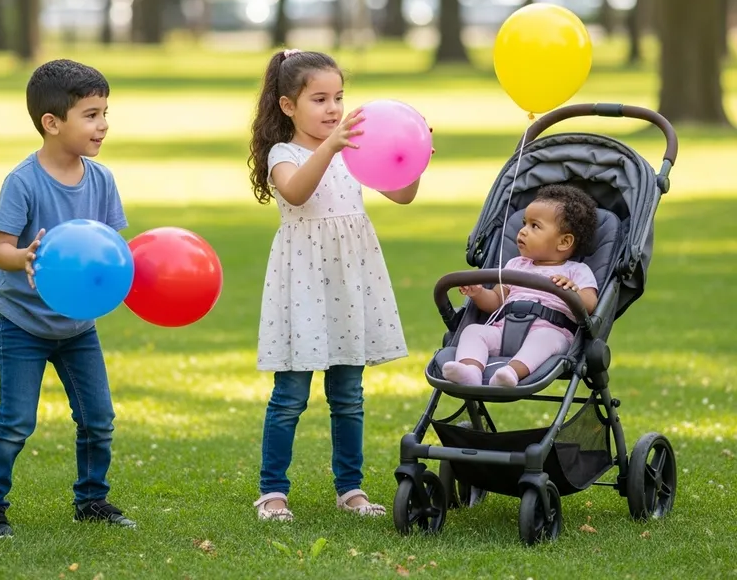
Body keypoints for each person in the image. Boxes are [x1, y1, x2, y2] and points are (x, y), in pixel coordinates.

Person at [247, 48, 423, 522]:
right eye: (320, 99)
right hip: (302, 282)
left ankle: (350, 488)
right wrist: (332, 146)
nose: (333, 109)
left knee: (349, 395)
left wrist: (416, 153)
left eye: (339, 98)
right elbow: (297, 191)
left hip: (349, 283)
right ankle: (272, 491)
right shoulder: (283, 154)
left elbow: (402, 193)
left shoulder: (355, 150)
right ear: (288, 106)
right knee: (290, 397)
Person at [0, 59, 135, 538]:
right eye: (91, 114)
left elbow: (110, 250)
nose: (103, 124)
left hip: (78, 325)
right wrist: (24, 257)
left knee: (98, 418)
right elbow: (0, 249)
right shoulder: (23, 181)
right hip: (23, 321)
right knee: (16, 420)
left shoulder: (101, 180)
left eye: (105, 112)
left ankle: (92, 500)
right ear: (52, 122)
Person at [442, 184, 599, 387]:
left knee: (544, 338)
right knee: (473, 331)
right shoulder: (515, 265)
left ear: (564, 242)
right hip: (504, 329)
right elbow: (496, 301)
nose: (522, 231)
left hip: (551, 331)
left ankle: (510, 373)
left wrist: (573, 291)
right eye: (524, 223)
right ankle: (470, 372)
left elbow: (590, 305)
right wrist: (478, 292)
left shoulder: (576, 271)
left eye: (535, 226)